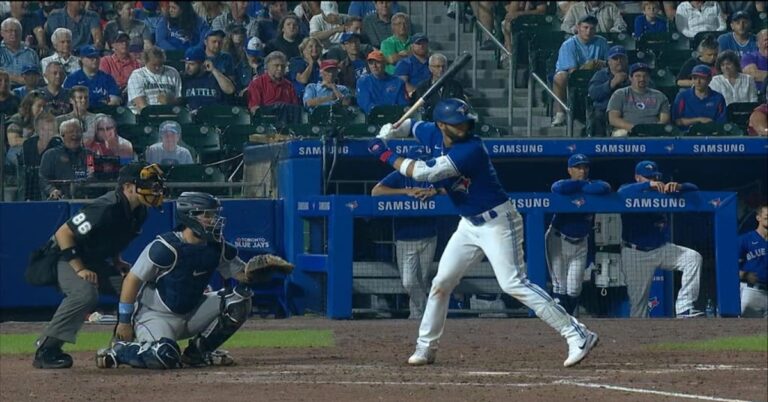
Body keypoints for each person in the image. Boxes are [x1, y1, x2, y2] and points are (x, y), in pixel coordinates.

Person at [370, 98, 599, 367]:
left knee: (513, 283)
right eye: (457, 124)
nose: (464, 126)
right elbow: (412, 124)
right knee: (442, 283)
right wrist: (395, 129)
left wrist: (383, 151)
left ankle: (576, 332)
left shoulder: (471, 148)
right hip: (468, 224)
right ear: (442, 125)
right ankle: (426, 347)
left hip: (498, 222)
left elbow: (422, 172)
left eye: (466, 122)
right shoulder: (431, 131)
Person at [94, 192, 293, 369]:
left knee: (240, 298)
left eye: (213, 214)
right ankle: (119, 351)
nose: (213, 219)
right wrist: (124, 322)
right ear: (190, 217)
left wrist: (259, 269)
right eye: (207, 215)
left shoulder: (217, 247)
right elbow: (132, 280)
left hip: (193, 312)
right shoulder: (165, 247)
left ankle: (196, 354)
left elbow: (242, 275)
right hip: (155, 316)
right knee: (165, 355)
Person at [32, 163, 167, 369]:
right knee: (85, 294)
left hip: (94, 260)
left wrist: (116, 260)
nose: (154, 189)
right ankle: (47, 349)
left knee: (133, 289)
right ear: (128, 187)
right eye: (148, 184)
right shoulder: (106, 206)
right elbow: (63, 234)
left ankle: (122, 347)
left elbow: (112, 237)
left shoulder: (139, 211)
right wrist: (79, 269)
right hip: (63, 256)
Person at [617, 160, 703, 318]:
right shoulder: (629, 190)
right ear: (637, 177)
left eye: (655, 177)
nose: (653, 180)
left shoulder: (663, 191)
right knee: (638, 307)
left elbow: (694, 188)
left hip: (661, 248)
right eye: (648, 177)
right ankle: (638, 340)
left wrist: (680, 186)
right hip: (636, 253)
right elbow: (621, 192)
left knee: (693, 258)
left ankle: (684, 307)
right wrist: (648, 185)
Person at [371, 148, 441, 320]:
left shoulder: (434, 174)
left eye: (423, 162)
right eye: (416, 162)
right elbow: (376, 191)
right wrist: (405, 191)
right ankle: (428, 312)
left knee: (422, 281)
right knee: (409, 282)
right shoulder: (400, 175)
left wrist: (436, 191)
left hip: (429, 236)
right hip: (405, 238)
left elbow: (455, 189)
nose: (420, 165)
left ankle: (416, 317)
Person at [547, 154, 611, 315]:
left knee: (575, 288)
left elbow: (605, 187)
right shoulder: (563, 184)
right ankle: (563, 323)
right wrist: (582, 186)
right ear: (569, 170)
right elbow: (557, 188)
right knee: (559, 286)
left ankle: (567, 320)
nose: (582, 170)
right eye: (578, 167)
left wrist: (580, 186)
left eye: (585, 167)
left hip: (581, 242)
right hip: (558, 239)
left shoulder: (594, 185)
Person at [552, 15, 609, 127]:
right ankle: (560, 113)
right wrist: (589, 65)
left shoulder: (602, 42)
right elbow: (573, 71)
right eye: (585, 27)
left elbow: (610, 63)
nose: (589, 31)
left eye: (592, 28)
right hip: (573, 76)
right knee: (560, 76)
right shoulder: (568, 45)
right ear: (578, 27)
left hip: (596, 75)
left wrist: (603, 63)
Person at [607, 63, 671, 136]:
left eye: (645, 76)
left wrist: (651, 131)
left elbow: (664, 120)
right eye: (638, 76)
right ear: (630, 78)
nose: (642, 79)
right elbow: (613, 119)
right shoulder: (620, 94)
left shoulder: (660, 96)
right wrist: (634, 129)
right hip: (627, 130)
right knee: (619, 134)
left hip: (653, 132)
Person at [38, 118, 93, 200]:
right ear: (62, 135)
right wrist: (52, 190)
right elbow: (43, 178)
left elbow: (91, 172)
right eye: (71, 132)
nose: (75, 135)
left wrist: (88, 178)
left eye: (78, 131)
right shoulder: (50, 155)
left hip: (84, 198)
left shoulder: (89, 155)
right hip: (59, 199)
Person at [587, 45, 630, 137]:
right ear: (609, 61)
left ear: (627, 60)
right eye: (615, 58)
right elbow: (593, 94)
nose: (619, 61)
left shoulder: (635, 74)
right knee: (597, 116)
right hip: (604, 110)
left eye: (622, 58)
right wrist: (611, 83)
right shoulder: (600, 75)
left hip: (630, 109)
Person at [410, 53, 466, 122]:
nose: (441, 69)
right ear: (430, 68)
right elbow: (419, 110)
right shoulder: (422, 87)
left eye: (443, 66)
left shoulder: (455, 86)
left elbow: (460, 106)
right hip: (430, 122)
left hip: (450, 123)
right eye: (437, 66)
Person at [126, 46, 183, 113]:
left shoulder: (173, 72)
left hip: (169, 113)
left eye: (160, 64)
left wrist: (169, 100)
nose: (157, 68)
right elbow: (141, 105)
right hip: (145, 115)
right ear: (145, 62)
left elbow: (179, 99)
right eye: (154, 65)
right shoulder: (137, 75)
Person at [672, 64, 727, 131]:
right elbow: (677, 121)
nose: (698, 82)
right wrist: (699, 120)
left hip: (712, 135)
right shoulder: (682, 96)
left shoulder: (718, 97)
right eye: (695, 78)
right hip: (686, 136)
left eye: (702, 78)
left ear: (710, 79)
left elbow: (721, 122)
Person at [21, 112, 62, 201]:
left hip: (50, 190)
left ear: (55, 131)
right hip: (30, 188)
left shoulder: (58, 146)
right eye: (43, 129)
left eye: (50, 130)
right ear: (37, 130)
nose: (46, 133)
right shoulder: (28, 144)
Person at [181, 46, 235, 111]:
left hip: (213, 116)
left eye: (191, 64)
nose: (187, 67)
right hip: (191, 117)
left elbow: (230, 90)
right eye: (186, 63)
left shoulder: (214, 76)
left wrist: (213, 70)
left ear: (202, 64)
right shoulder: (183, 78)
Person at [246, 50, 300, 115]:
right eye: (276, 65)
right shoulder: (256, 84)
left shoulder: (289, 85)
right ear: (267, 66)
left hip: (287, 121)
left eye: (282, 66)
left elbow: (295, 108)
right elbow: (254, 109)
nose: (280, 69)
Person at [356, 49, 407, 115]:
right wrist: (381, 112)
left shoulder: (398, 82)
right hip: (373, 118)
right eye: (371, 63)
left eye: (377, 62)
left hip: (394, 117)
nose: (374, 66)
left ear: (384, 63)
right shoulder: (363, 82)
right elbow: (365, 103)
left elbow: (402, 105)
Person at [738, 205, 768, 318]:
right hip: (752, 291)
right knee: (744, 332)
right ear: (758, 218)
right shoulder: (745, 239)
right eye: (767, 217)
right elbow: (729, 269)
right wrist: (745, 275)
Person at [0, 17, 41, 85]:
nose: (14, 34)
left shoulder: (31, 53)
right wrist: (16, 79)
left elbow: (38, 75)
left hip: (27, 90)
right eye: (10, 30)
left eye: (17, 31)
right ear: (2, 33)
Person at [561, 1, 627, 34]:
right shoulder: (575, 8)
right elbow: (564, 26)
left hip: (606, 42)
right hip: (582, 43)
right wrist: (576, 30)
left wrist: (610, 34)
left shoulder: (611, 7)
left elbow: (621, 25)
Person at [288, 37, 322, 101]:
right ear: (303, 50)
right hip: (302, 97)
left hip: (319, 95)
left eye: (317, 46)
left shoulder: (320, 64)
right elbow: (303, 80)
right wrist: (311, 63)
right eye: (310, 46)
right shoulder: (297, 62)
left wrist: (320, 64)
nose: (314, 49)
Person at [741, 29, 767, 94]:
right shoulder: (749, 57)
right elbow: (753, 75)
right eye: (766, 40)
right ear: (758, 44)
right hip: (758, 96)